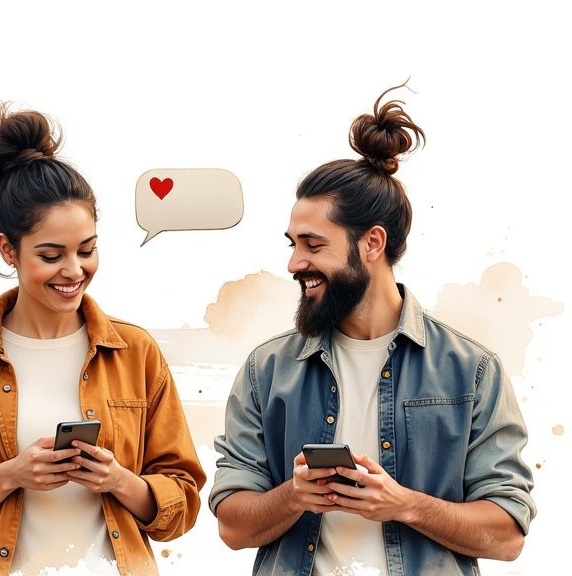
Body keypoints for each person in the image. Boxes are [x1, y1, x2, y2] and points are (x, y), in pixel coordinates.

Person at [210, 85, 537, 575]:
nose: (295, 262)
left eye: (313, 244)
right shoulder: (266, 370)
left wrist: (404, 503)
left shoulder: (471, 371)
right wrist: (293, 496)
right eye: (293, 243)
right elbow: (233, 528)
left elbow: (508, 535)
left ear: (372, 243)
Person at [0, 104, 205, 575]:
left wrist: (118, 480)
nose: (73, 270)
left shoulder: (137, 353)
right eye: (51, 254)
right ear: (8, 249)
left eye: (87, 250)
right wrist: (10, 476)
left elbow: (181, 504)